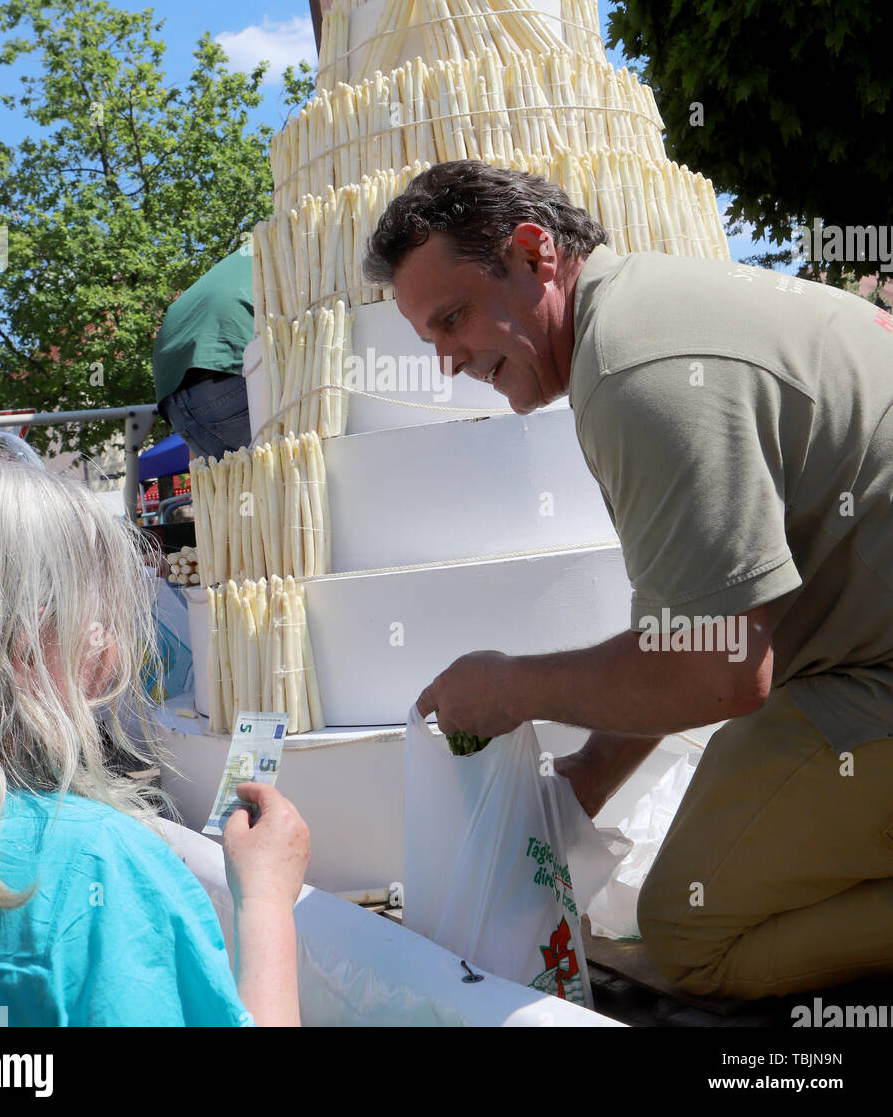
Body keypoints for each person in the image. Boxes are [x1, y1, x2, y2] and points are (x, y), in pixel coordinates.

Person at [363, 158, 893, 1002]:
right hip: (863, 665)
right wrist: (592, 772)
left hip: (871, 681)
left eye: (453, 319)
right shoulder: (646, 320)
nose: (448, 364)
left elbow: (713, 670)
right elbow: (708, 620)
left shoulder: (640, 375)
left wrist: (511, 689)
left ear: (535, 255)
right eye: (430, 341)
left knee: (692, 935)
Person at [0, 452, 309, 1027]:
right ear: (29, 645)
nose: (114, 639)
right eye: (97, 610)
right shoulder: (100, 869)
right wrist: (266, 903)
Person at [153, 242, 255, 461]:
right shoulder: (312, 239)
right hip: (228, 374)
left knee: (239, 492)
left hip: (173, 400)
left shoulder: (247, 254)